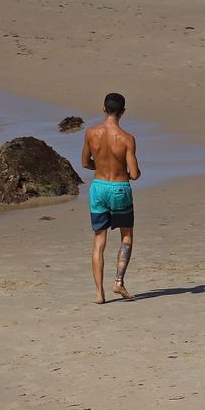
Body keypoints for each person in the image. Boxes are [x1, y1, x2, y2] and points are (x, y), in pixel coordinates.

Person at [82, 92, 140, 304]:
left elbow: (85, 162)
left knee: (99, 239)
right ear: (123, 112)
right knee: (126, 236)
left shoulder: (90, 133)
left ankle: (99, 293)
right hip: (119, 187)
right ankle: (118, 281)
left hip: (98, 187)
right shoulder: (127, 138)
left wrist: (101, 166)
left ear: (103, 109)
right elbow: (134, 174)